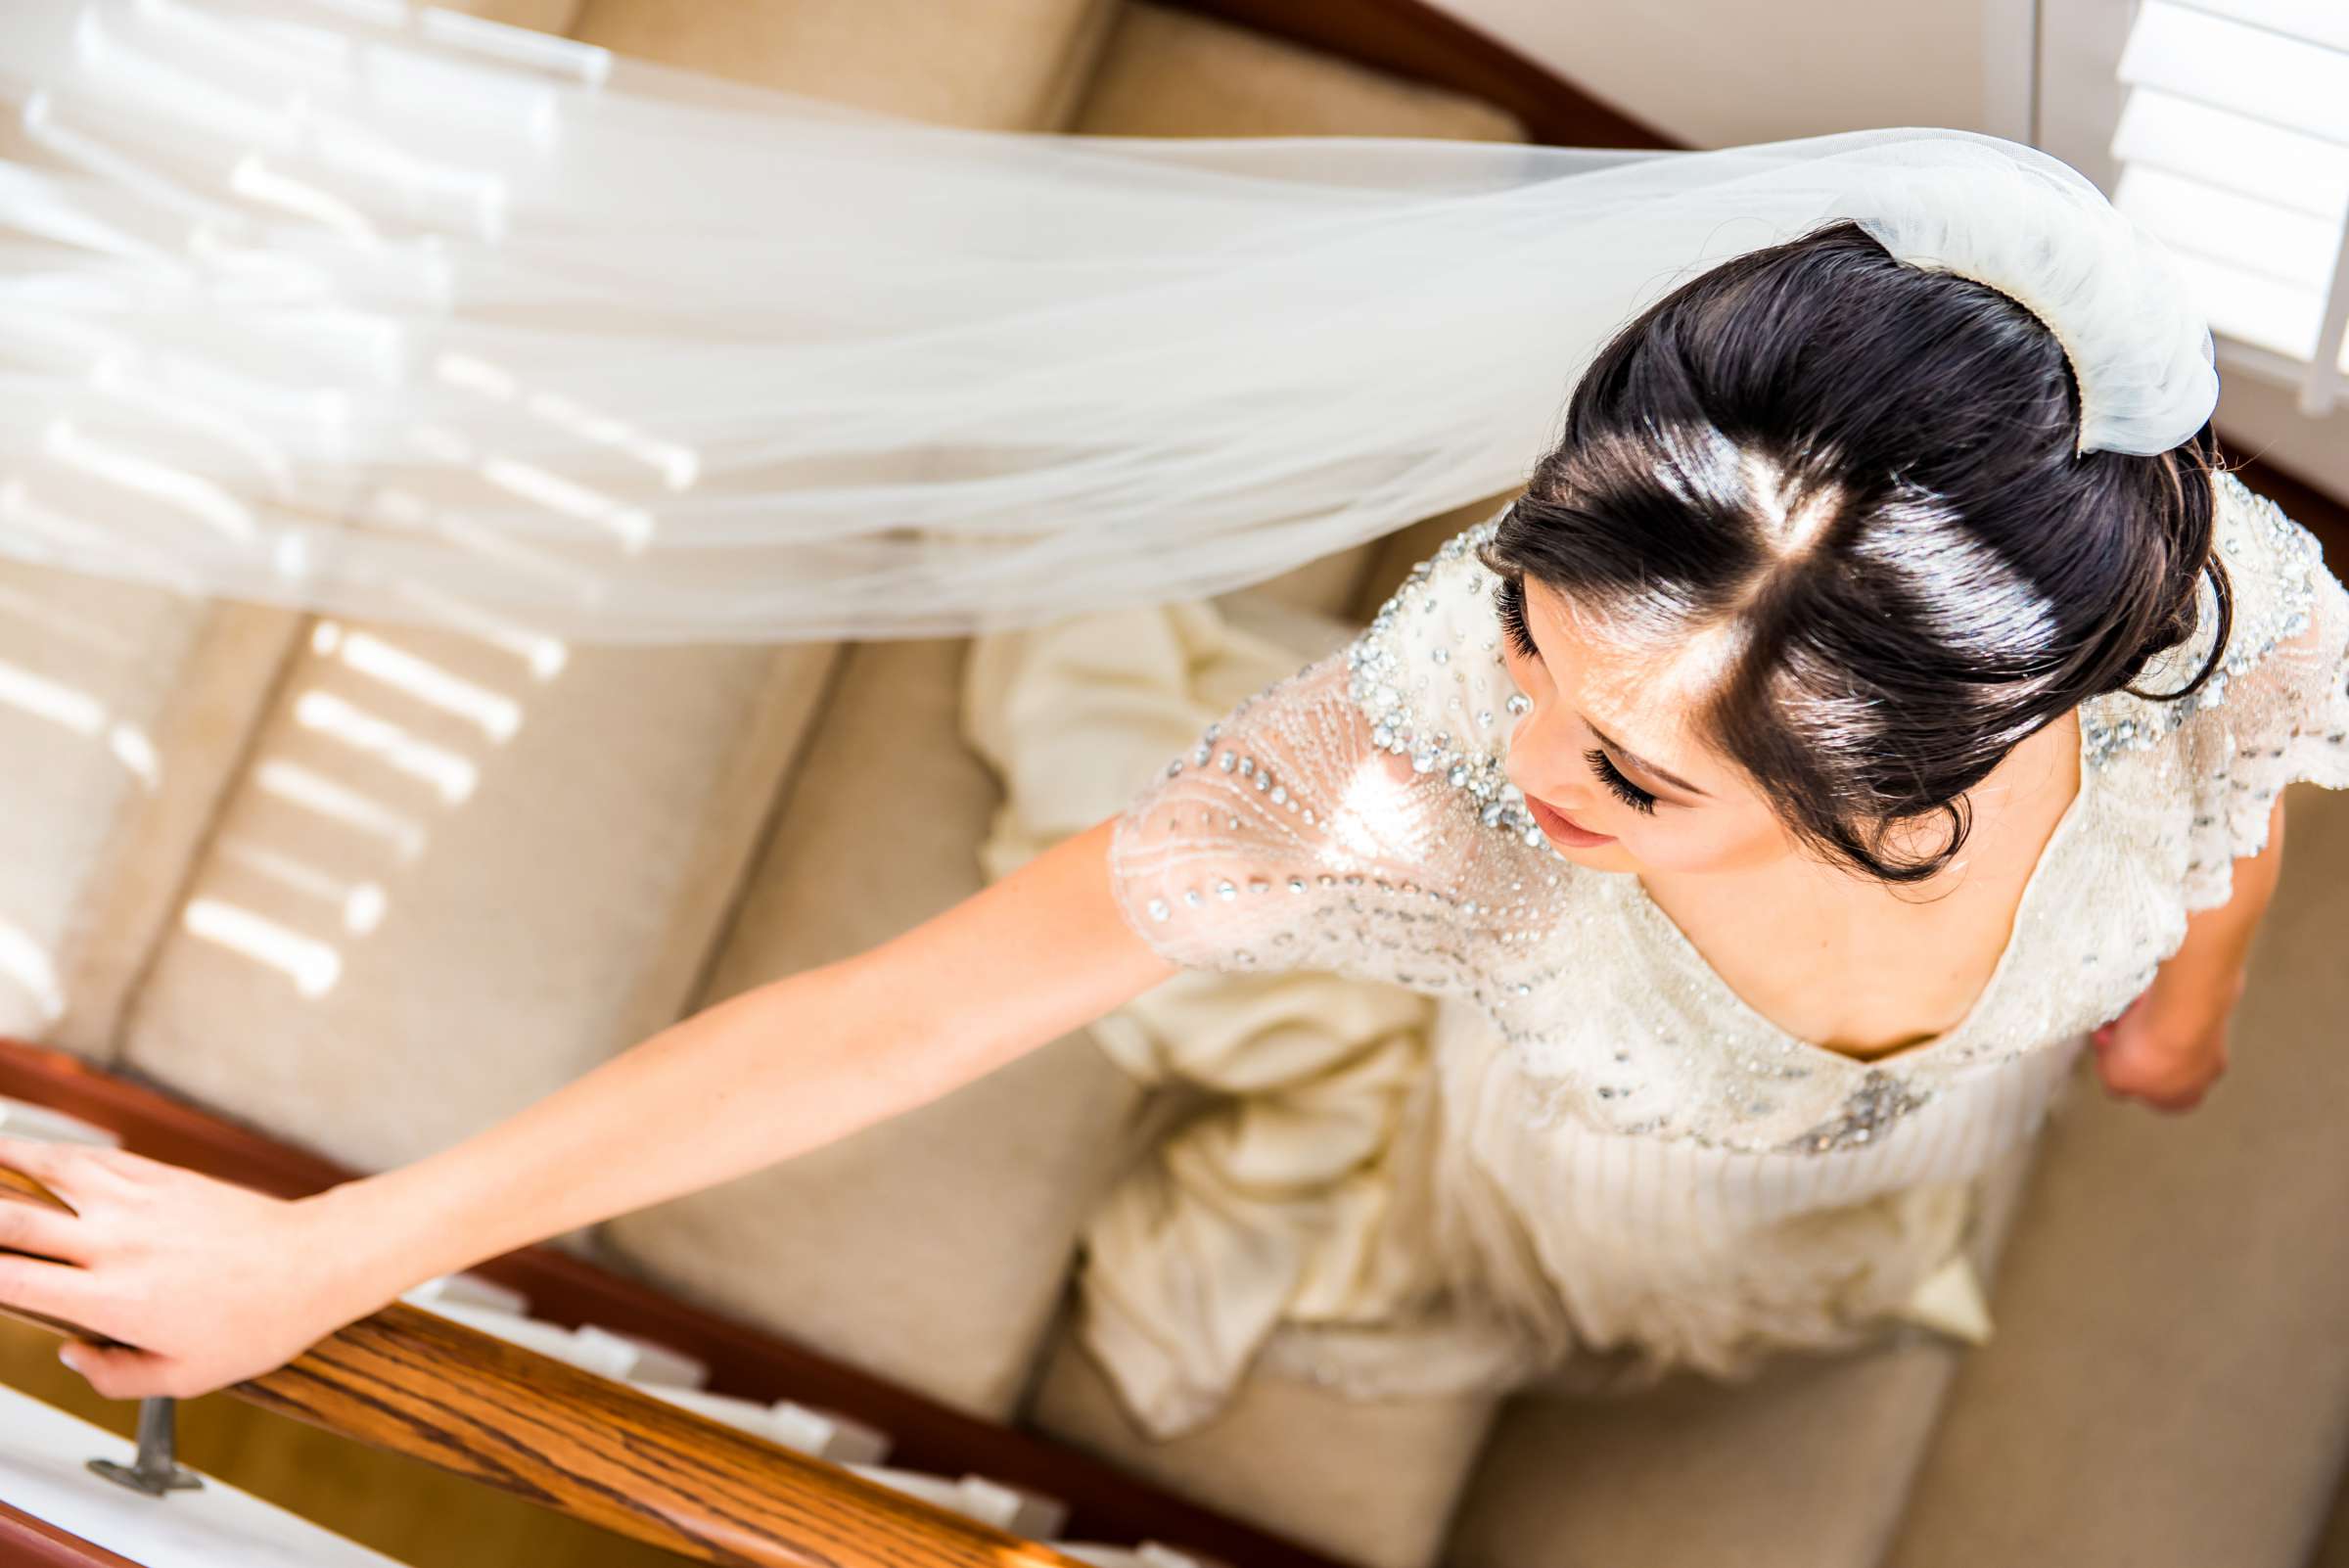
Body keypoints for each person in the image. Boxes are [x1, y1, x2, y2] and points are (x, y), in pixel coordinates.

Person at [1, 219, 2342, 1437]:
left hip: (1967, 1074)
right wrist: (339, 1251)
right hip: (1628, 1150)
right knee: (1634, 1243)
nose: (1514, 753)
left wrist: (2185, 998)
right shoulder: (1400, 790)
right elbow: (894, 1015)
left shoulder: (2195, 634)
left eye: (1631, 777)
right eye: (1530, 624)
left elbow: (2244, 782)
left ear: (1903, 784)